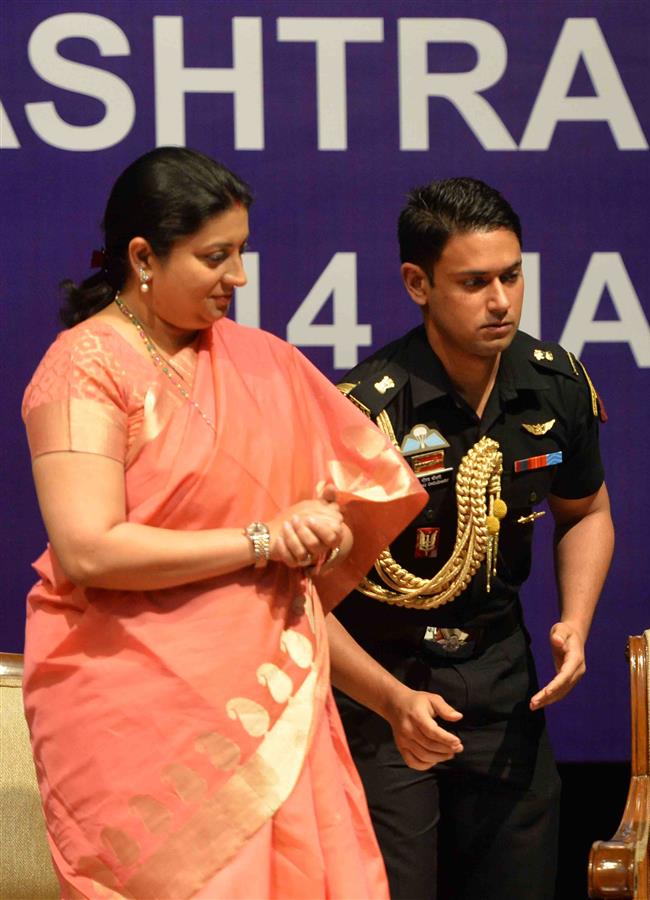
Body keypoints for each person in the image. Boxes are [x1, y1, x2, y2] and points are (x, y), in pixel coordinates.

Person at [20, 146, 425, 897]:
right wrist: (266, 538)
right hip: (139, 724)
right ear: (143, 256)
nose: (237, 277)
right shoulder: (83, 367)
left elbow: (322, 534)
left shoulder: (264, 364)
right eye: (215, 257)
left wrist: (321, 533)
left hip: (272, 697)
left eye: (240, 252)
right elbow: (87, 550)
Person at [328, 177, 613, 899]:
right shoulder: (364, 414)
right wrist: (391, 699)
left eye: (512, 276)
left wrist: (576, 622)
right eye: (474, 282)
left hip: (503, 684)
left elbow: (585, 512)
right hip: (384, 690)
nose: (501, 302)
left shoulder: (554, 384)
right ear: (417, 283)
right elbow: (301, 599)